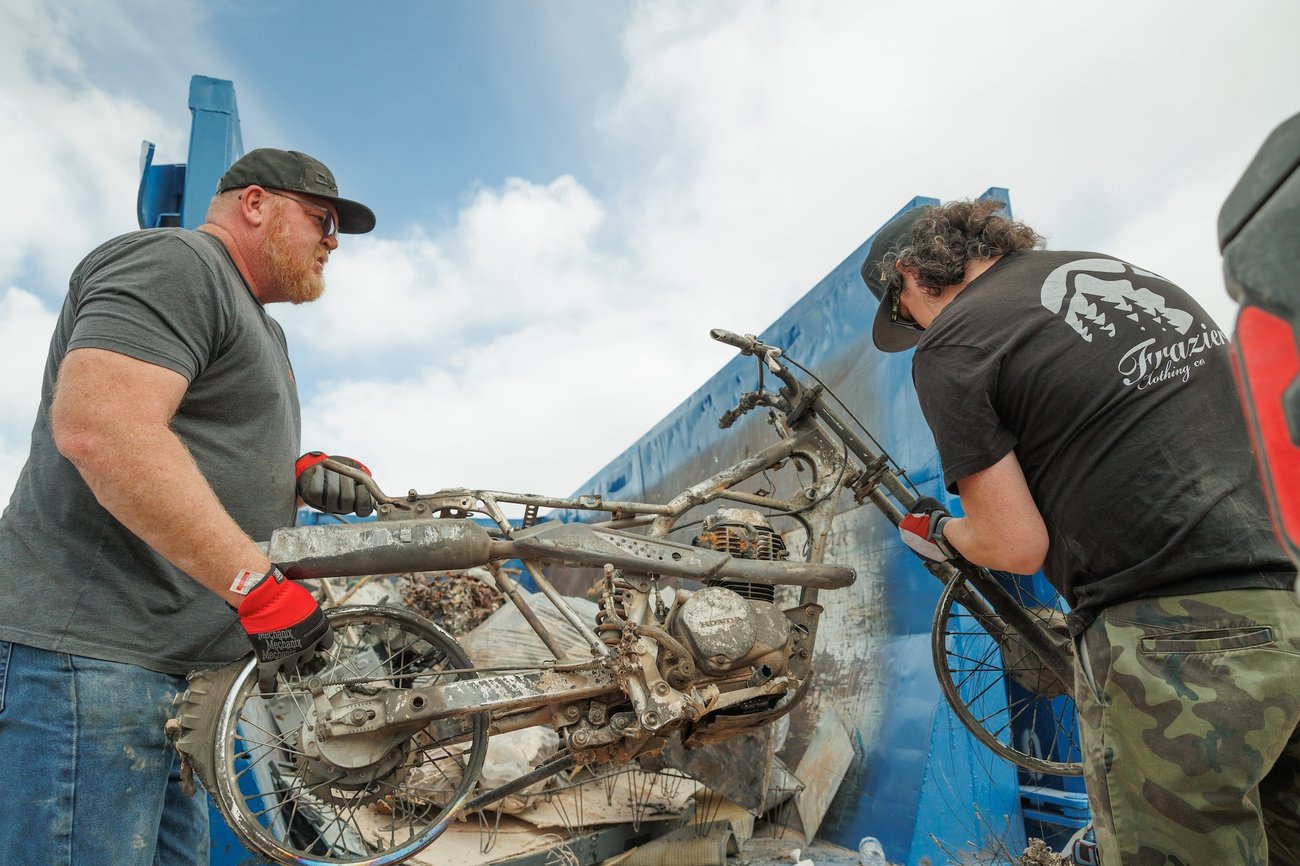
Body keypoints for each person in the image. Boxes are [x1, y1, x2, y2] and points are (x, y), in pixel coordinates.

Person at [864, 199, 1300, 864]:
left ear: (909, 275)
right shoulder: (1136, 278)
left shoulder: (955, 339)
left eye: (905, 315)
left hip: (1171, 647)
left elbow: (1013, 544)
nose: (918, 332)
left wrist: (943, 533)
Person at [0, 148, 378, 865]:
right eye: (322, 220)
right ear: (255, 203)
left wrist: (294, 472)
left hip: (176, 687)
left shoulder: (261, 326)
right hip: (93, 664)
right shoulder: (178, 264)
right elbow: (102, 428)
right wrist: (257, 589)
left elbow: (188, 432)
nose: (333, 241)